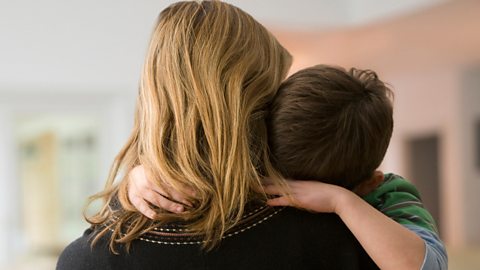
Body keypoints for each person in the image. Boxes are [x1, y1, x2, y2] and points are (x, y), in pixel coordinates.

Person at [56, 2, 377, 270]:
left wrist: (127, 191)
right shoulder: (338, 234)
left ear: (153, 97)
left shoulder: (88, 259)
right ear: (254, 106)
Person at [128, 65, 447, 270]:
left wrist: (341, 201)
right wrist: (141, 176)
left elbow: (426, 265)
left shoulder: (388, 194)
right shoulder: (263, 158)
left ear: (368, 182)